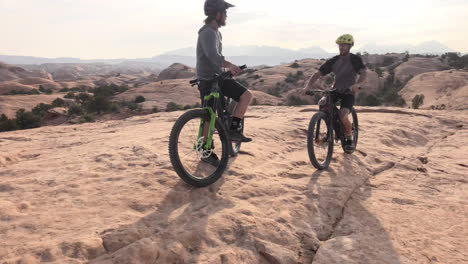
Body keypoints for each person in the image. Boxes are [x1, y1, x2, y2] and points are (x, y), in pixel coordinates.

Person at [196, 0, 253, 165]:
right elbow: (213, 56)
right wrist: (230, 66)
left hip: (217, 77)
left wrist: (226, 72)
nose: (227, 16)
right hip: (209, 80)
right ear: (218, 14)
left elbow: (214, 61)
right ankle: (206, 150)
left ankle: (233, 129)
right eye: (225, 13)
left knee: (245, 96)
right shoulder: (207, 32)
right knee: (209, 116)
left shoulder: (215, 32)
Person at [304, 34, 367, 152]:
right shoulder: (334, 60)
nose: (341, 47)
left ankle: (348, 138)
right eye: (340, 45)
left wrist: (357, 85)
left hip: (348, 92)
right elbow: (318, 74)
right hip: (335, 90)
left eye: (344, 45)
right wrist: (308, 86)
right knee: (323, 103)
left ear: (350, 46)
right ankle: (330, 132)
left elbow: (363, 73)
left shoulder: (354, 59)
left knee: (343, 115)